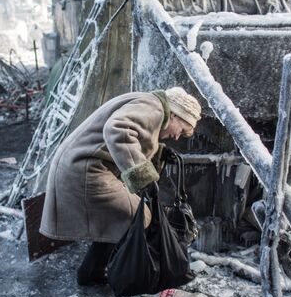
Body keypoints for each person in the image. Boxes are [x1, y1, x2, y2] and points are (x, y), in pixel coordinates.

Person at [40, 87, 202, 285]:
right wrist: (143, 177)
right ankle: (108, 271)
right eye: (182, 130)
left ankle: (92, 271)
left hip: (82, 164)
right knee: (139, 216)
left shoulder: (150, 104)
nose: (178, 137)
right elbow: (117, 129)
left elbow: (136, 135)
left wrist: (160, 152)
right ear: (175, 114)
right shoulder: (155, 108)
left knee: (123, 216)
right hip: (85, 169)